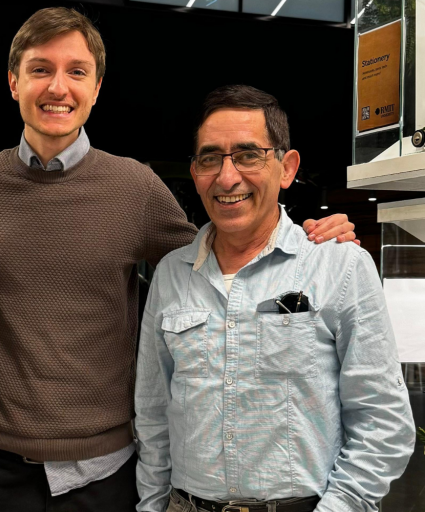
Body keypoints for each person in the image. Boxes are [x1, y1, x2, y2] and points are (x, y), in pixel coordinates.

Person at [0, 8, 356, 511]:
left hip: (109, 475)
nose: (58, 87)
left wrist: (303, 234)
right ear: (13, 82)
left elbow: (222, 255)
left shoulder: (136, 188)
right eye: (40, 69)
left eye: (77, 72)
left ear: (97, 88)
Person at [134, 85, 415, 512]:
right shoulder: (172, 274)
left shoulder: (338, 266)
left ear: (286, 168)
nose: (227, 177)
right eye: (210, 158)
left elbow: (384, 421)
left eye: (248, 155)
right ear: (195, 172)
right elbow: (154, 415)